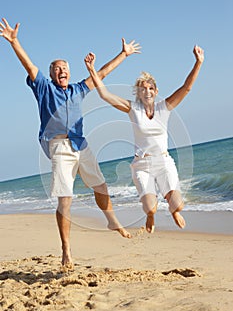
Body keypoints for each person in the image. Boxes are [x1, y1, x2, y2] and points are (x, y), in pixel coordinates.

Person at [0, 17, 141, 267]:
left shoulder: (78, 89)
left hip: (81, 144)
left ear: (70, 72)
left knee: (101, 187)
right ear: (52, 74)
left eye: (65, 68)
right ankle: (66, 250)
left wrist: (124, 54)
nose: (61, 71)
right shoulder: (44, 88)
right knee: (65, 200)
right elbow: (29, 66)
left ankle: (111, 220)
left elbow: (103, 73)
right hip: (59, 148)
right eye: (57, 68)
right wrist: (14, 42)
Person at [84, 45, 204, 233]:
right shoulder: (133, 109)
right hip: (142, 165)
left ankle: (174, 212)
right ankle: (150, 216)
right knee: (150, 207)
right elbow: (105, 94)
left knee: (178, 205)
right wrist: (92, 70)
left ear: (155, 91)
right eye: (142, 89)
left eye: (150, 88)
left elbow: (186, 88)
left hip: (164, 162)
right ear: (138, 93)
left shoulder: (165, 107)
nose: (147, 91)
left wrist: (198, 62)